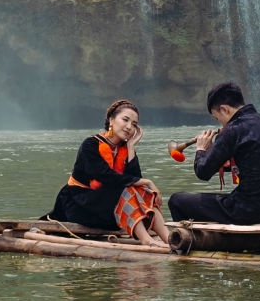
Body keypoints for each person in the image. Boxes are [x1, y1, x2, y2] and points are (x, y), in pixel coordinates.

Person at [47, 98, 172, 250]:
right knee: (131, 188)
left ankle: (169, 239)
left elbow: (135, 178)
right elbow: (104, 175)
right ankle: (146, 240)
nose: (129, 127)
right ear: (111, 120)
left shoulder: (124, 149)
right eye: (125, 120)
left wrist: (131, 146)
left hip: (107, 206)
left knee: (141, 189)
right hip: (80, 204)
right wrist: (146, 182)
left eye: (134, 124)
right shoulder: (90, 144)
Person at [167, 82, 260, 225]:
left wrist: (201, 149)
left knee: (177, 200)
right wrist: (215, 149)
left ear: (224, 109)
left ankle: (190, 242)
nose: (221, 125)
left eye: (217, 118)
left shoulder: (233, 129)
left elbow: (203, 172)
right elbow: (255, 165)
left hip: (247, 211)